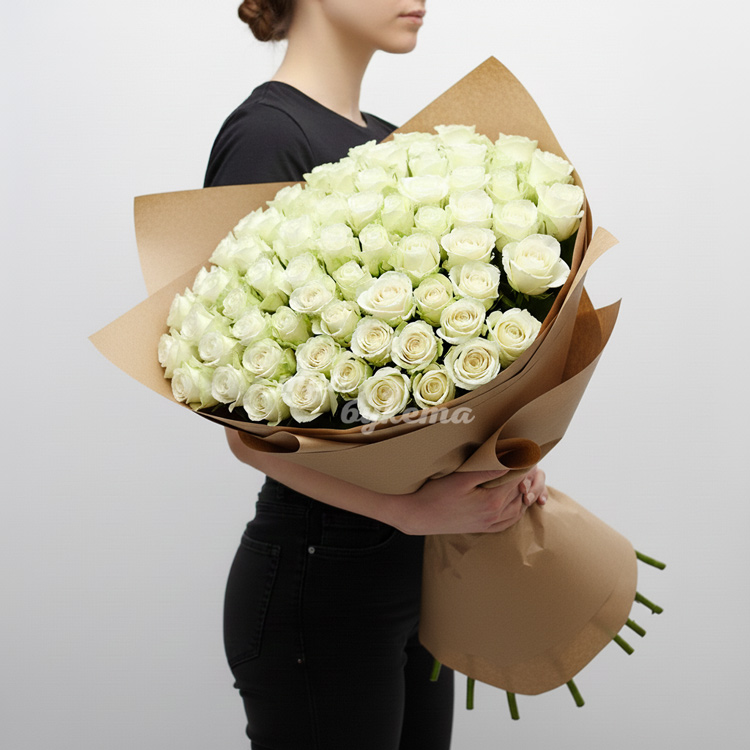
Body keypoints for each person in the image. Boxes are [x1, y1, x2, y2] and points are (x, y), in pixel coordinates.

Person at [203, 2, 547, 748]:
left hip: (417, 570)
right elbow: (243, 428)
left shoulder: (395, 145)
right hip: (321, 572)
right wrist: (408, 511)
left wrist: (496, 459)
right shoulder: (268, 136)